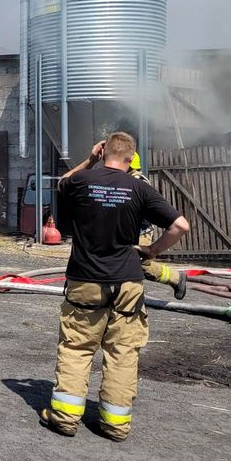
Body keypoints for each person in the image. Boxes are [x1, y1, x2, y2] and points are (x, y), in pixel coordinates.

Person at [41, 132, 190, 441]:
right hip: (127, 283)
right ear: (130, 157)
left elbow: (62, 182)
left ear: (103, 150)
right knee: (122, 354)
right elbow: (180, 226)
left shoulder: (82, 182)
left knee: (77, 349)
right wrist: (153, 251)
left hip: (85, 282)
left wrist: (90, 160)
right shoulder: (139, 188)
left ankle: (66, 418)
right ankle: (115, 425)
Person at [128, 151, 188, 299]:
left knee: (140, 263)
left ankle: (176, 278)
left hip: (141, 231)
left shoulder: (137, 181)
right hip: (134, 229)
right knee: (131, 262)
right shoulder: (131, 179)